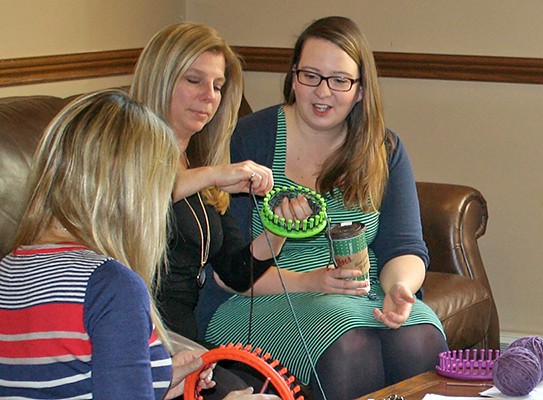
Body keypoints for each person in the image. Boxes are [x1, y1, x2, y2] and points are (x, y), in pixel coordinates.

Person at [204, 16, 450, 400]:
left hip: (360, 296)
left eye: (339, 80)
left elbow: (405, 247)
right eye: (311, 76)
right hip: (258, 298)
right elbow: (227, 269)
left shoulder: (382, 148)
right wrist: (313, 281)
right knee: (350, 346)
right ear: (293, 76)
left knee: (419, 337)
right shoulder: (250, 139)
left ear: (360, 90)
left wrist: (399, 289)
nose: (323, 92)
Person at [130, 22, 308, 398]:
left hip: (186, 341)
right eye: (194, 80)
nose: (208, 96)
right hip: (142, 340)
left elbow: (237, 272)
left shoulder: (198, 161)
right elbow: (137, 199)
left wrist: (279, 229)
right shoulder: (126, 151)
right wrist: (212, 175)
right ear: (161, 79)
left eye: (217, 85)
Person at [0, 89, 208, 399]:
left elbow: (62, 382)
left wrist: (155, 382)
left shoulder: (7, 269)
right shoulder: (111, 286)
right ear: (134, 197)